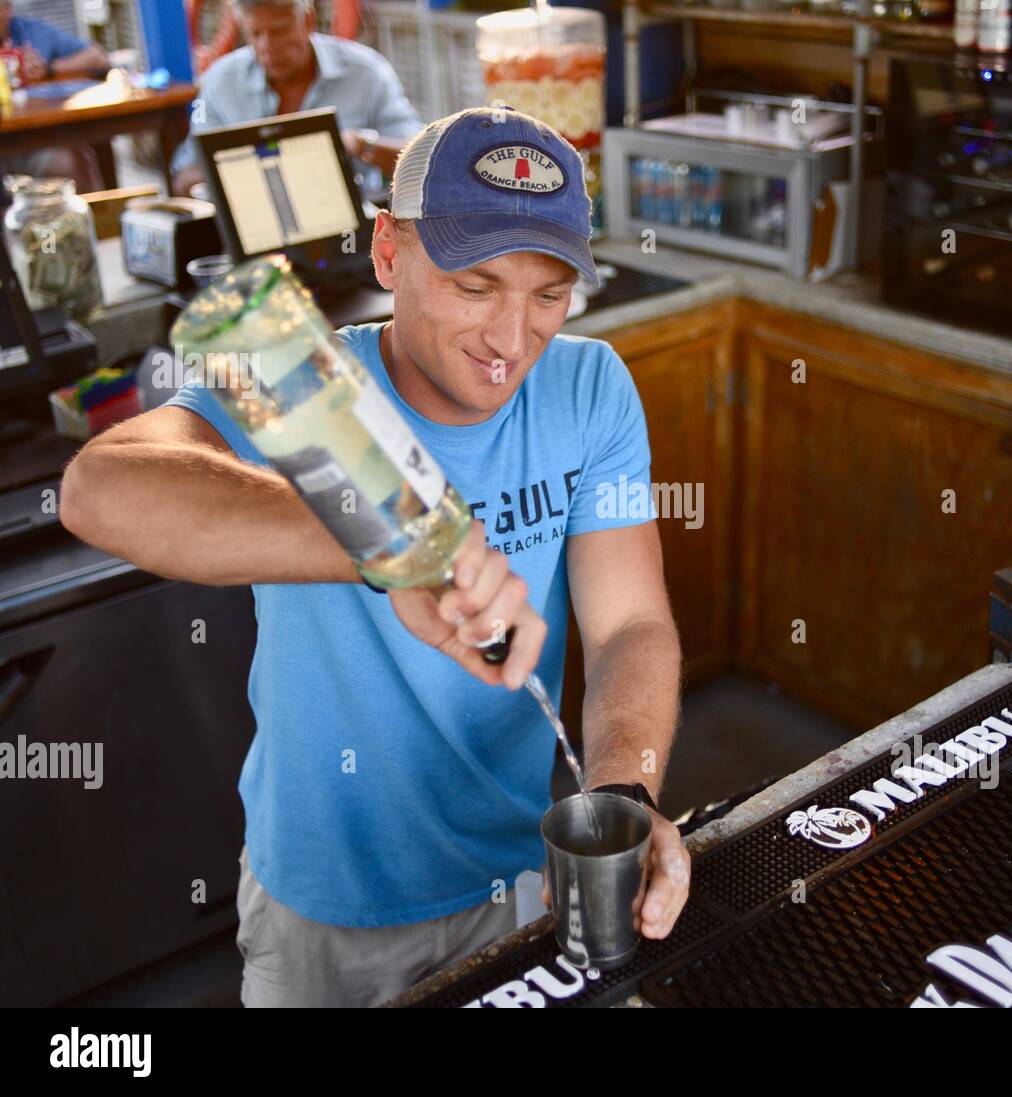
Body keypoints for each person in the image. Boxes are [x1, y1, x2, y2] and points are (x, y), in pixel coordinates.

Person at [61, 107, 691, 1008]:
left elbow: (631, 622)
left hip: (520, 880)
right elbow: (99, 487)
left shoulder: (591, 388)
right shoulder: (301, 387)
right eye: (477, 285)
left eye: (549, 294)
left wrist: (626, 792)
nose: (513, 342)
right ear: (390, 252)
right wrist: (385, 542)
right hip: (325, 911)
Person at [172, 0, 422, 197]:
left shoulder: (367, 72)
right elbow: (185, 176)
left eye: (279, 31)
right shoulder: (219, 82)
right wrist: (234, 173)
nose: (267, 45)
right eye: (255, 34)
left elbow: (421, 159)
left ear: (308, 20)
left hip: (350, 237)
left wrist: (359, 144)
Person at [0, 0, 110, 190]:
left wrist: (48, 68)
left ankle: (101, 215)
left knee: (78, 159)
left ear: (8, 9)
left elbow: (98, 57)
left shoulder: (31, 33)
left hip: (34, 140)